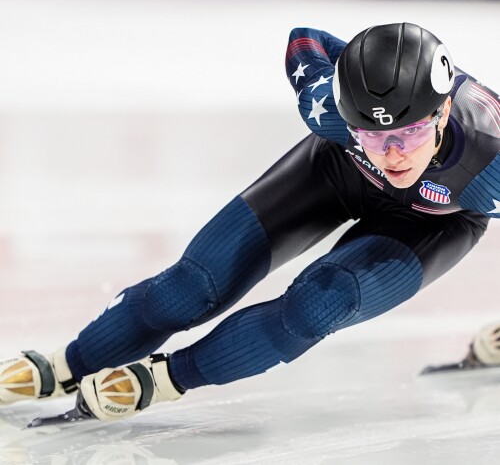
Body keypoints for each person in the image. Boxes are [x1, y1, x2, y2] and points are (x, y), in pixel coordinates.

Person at [1, 22, 499, 422]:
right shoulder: (328, 109)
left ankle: (165, 380)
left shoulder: (488, 162)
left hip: (434, 221)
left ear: (443, 111)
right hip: (339, 169)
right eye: (371, 133)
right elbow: (306, 40)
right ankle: (67, 364)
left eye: (410, 135)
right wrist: (371, 124)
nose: (392, 154)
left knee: (319, 304)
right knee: (191, 286)